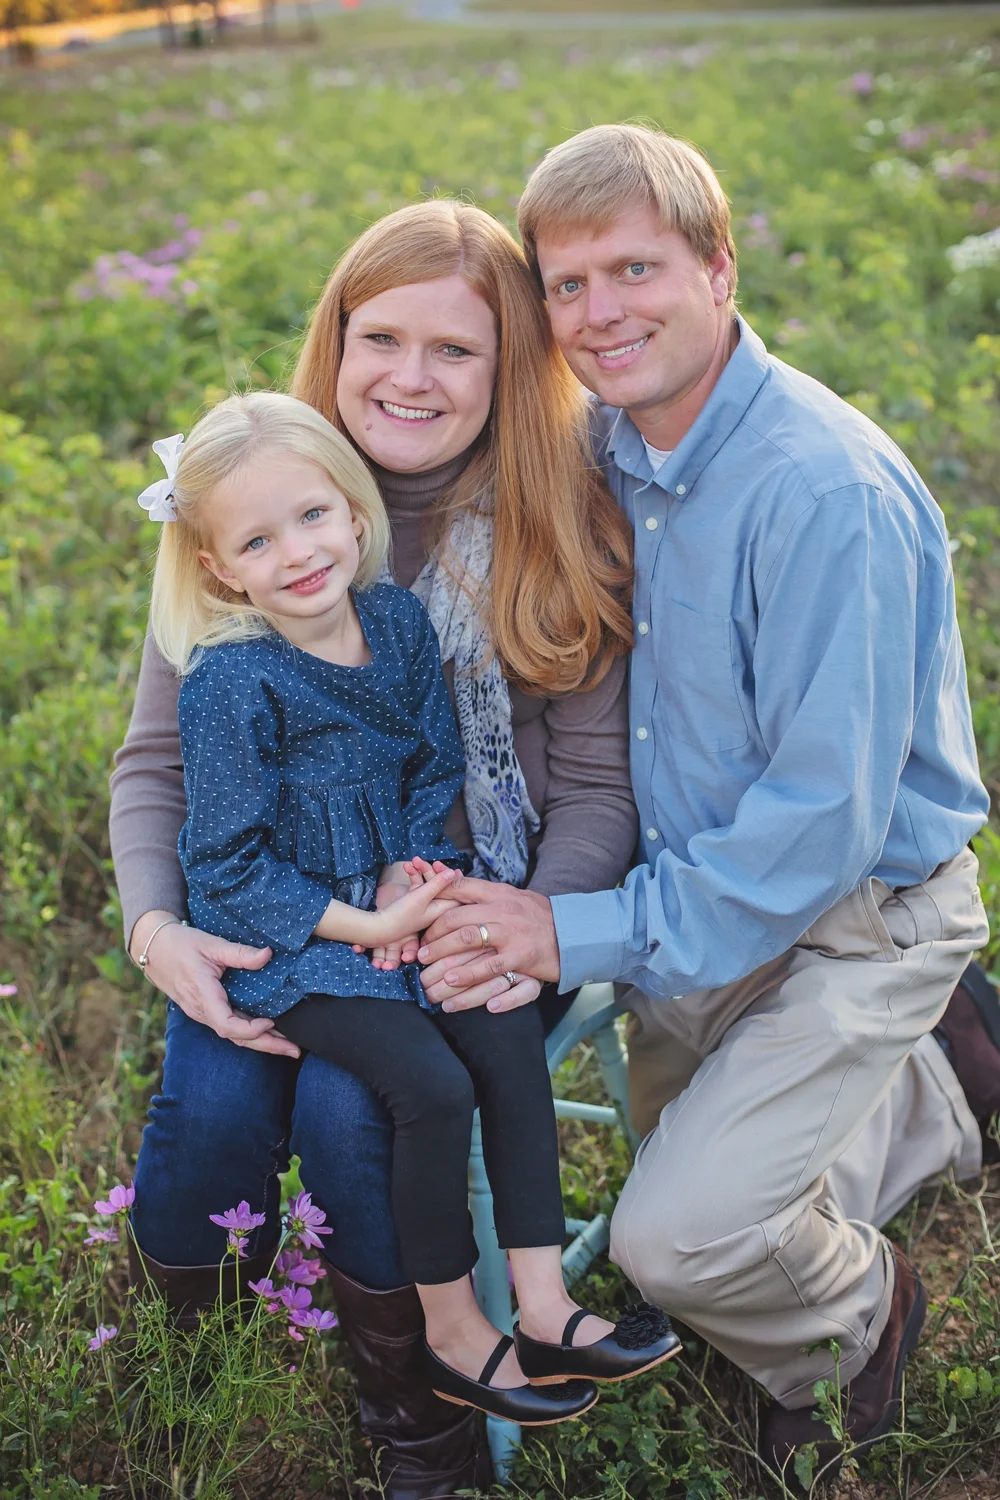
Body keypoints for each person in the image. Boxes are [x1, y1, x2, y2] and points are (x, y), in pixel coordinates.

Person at [415, 125, 1000, 1476]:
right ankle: (950, 1080)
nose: (601, 313)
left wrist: (569, 932)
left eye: (636, 267)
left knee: (673, 1239)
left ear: (720, 266)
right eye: (568, 285)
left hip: (854, 911)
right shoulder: (612, 444)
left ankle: (862, 1322)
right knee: (711, 1178)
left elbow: (816, 824)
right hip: (701, 898)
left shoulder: (822, 490)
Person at [109, 200, 641, 1496]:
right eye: (381, 337)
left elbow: (594, 788)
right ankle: (193, 1348)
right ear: (335, 345)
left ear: (513, 364)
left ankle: (421, 1406)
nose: (411, 376)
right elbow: (160, 766)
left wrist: (532, 924)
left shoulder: (550, 523)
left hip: (482, 903)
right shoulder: (256, 504)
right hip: (280, 893)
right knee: (221, 1086)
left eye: (455, 349)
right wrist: (157, 927)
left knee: (364, 1107)